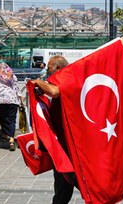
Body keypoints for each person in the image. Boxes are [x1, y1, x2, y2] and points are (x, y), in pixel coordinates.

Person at [31, 55, 75, 204]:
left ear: (57, 68)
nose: (47, 71)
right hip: (63, 145)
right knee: (63, 187)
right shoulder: (66, 79)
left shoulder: (68, 80)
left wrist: (38, 82)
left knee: (69, 182)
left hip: (69, 147)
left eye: (49, 68)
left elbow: (55, 92)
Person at [0, 63, 24, 151]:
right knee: (12, 120)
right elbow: (17, 89)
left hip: (1, 100)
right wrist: (22, 101)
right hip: (13, 100)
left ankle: (5, 134)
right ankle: (12, 139)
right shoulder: (13, 76)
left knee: (3, 118)